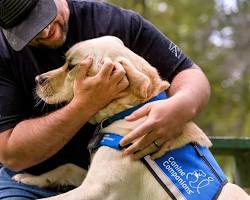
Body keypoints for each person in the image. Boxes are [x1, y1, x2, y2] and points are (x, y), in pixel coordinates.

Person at [0, 0, 210, 199]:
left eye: (44, 16)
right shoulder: (4, 54)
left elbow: (190, 73)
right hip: (28, 184)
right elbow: (10, 153)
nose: (45, 31)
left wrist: (181, 107)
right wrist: (85, 105)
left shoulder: (115, 22)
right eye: (28, 29)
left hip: (119, 182)